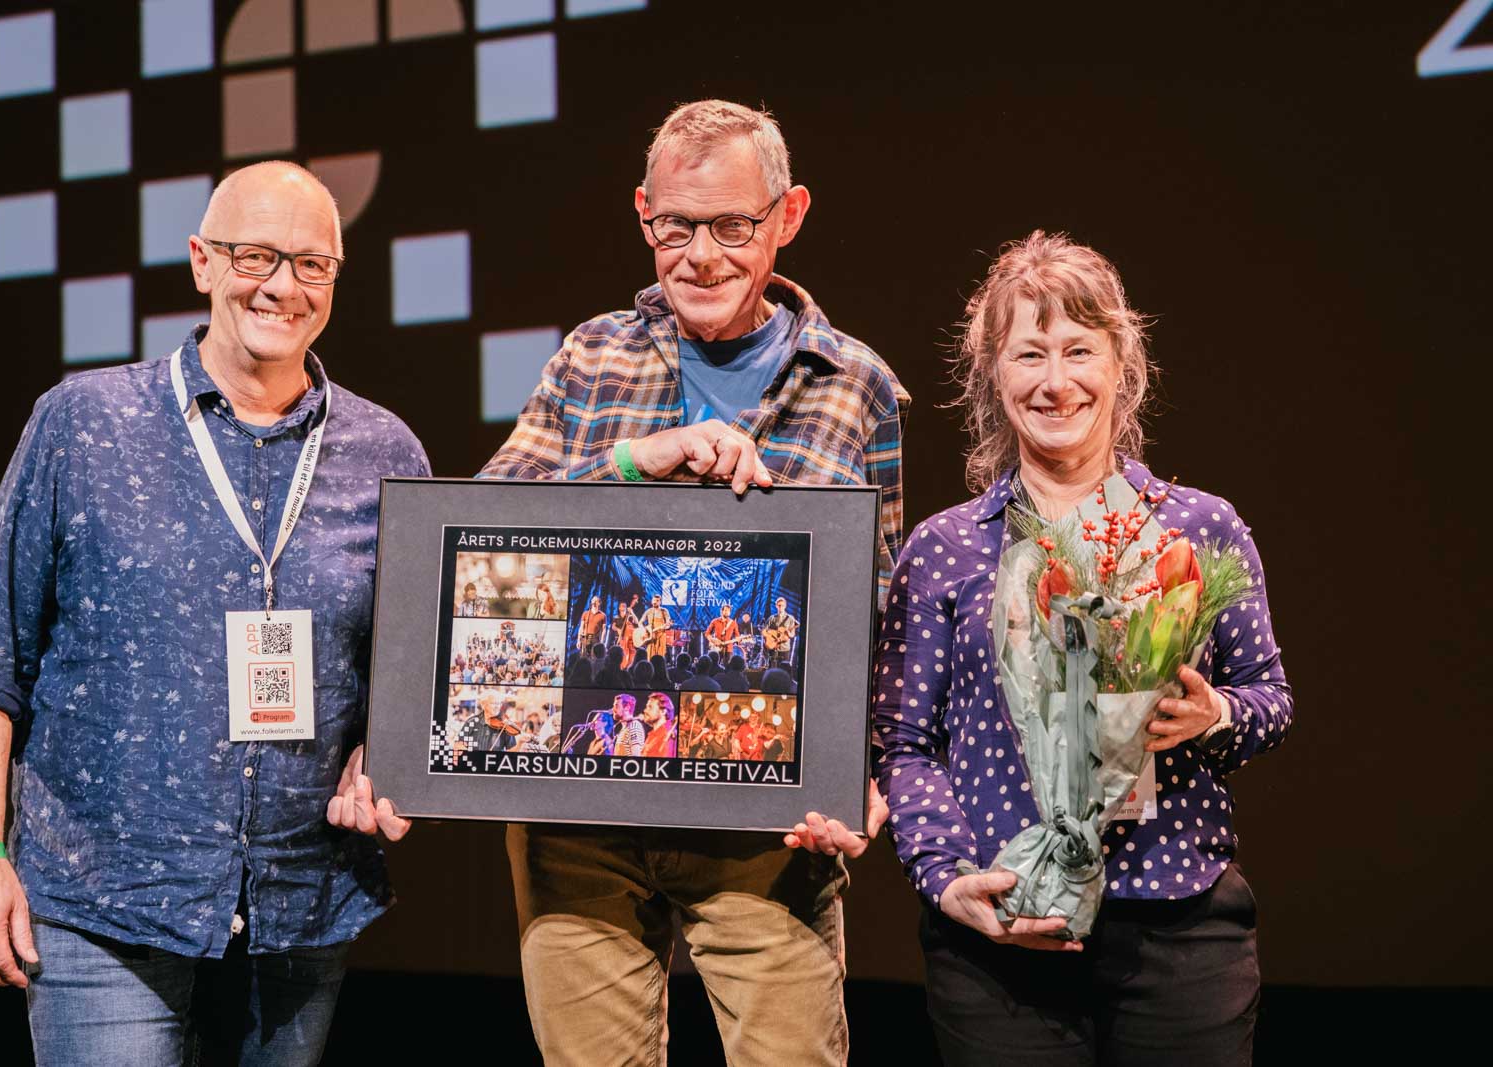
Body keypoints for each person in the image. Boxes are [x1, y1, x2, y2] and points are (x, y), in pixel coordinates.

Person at [0, 162, 424, 1066]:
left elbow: (419, 669)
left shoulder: (385, 451)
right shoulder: (84, 421)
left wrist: (386, 747)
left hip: (302, 907)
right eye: (257, 255)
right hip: (104, 903)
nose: (282, 285)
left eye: (312, 264)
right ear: (202, 262)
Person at [479, 99, 903, 1065]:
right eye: (677, 225)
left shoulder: (854, 383)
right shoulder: (590, 357)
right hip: (578, 813)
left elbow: (875, 608)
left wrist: (860, 768)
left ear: (787, 216)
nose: (701, 254)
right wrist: (635, 463)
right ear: (643, 215)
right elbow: (486, 538)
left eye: (732, 226)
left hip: (765, 829)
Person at [874, 231, 1293, 1064]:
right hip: (1003, 934)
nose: (1055, 381)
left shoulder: (1198, 527)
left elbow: (1268, 700)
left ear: (1121, 364)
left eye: (1078, 350)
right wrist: (947, 876)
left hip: (1178, 928)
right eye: (1029, 353)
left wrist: (1213, 715)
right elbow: (903, 743)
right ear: (993, 371)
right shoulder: (945, 549)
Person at [761, 595, 798, 669]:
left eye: (782, 605)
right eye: (779, 605)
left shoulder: (790, 618)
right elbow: (764, 631)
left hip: (785, 648)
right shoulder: (772, 618)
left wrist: (788, 634)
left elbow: (792, 634)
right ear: (776, 606)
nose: (780, 607)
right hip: (774, 648)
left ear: (785, 606)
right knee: (772, 669)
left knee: (784, 670)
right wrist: (771, 637)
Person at [641, 692, 677, 758]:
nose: (645, 711)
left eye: (650, 707)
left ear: (663, 711)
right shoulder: (652, 734)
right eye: (646, 707)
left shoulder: (668, 735)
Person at [642, 594, 673, 659]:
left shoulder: (664, 611)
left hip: (661, 636)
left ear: (660, 602)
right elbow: (640, 622)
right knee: (650, 655)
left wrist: (665, 626)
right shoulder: (649, 611)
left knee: (660, 656)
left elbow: (668, 624)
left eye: (657, 600)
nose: (655, 602)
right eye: (653, 600)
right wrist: (645, 630)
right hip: (651, 636)